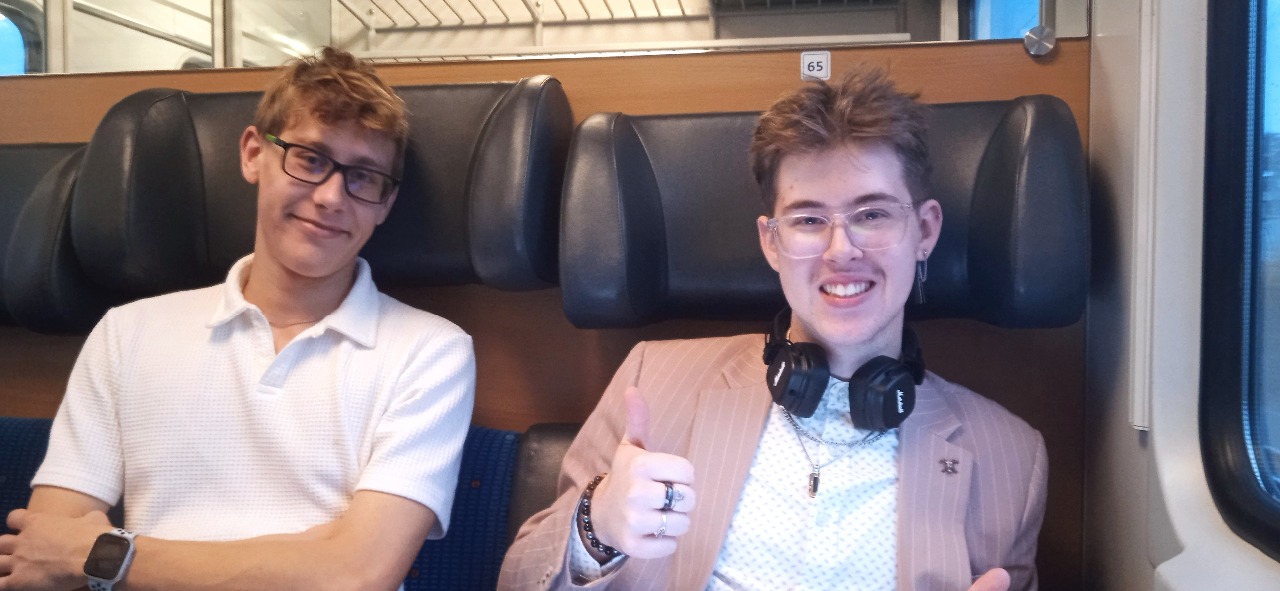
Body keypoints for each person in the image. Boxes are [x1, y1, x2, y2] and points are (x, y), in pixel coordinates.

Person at [498, 68, 1047, 591]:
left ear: (924, 231)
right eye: (808, 219)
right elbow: (517, 579)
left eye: (872, 215)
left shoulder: (1010, 458)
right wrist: (596, 528)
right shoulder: (653, 381)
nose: (841, 250)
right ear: (771, 242)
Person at [0, 47, 475, 591]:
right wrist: (310, 558)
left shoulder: (431, 351)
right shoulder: (126, 333)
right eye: (310, 159)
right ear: (254, 154)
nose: (330, 197)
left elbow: (356, 574)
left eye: (364, 177)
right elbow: (43, 557)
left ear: (385, 203)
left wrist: (110, 556)